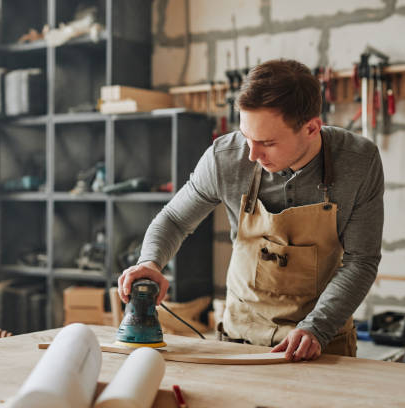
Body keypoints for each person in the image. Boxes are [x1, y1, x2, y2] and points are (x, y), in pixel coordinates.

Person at [118, 59, 384, 361]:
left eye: (267, 142)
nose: (252, 154)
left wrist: (317, 328)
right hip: (238, 339)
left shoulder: (358, 162)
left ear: (311, 128)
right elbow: (175, 219)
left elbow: (361, 261)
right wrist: (150, 261)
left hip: (319, 344)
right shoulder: (226, 157)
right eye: (246, 137)